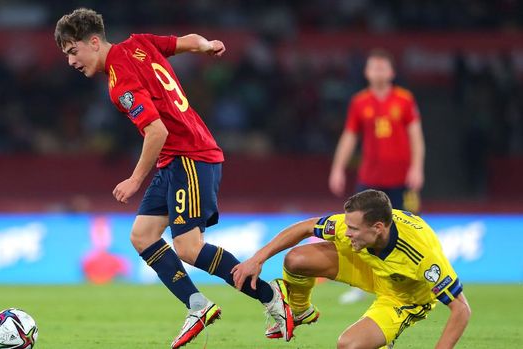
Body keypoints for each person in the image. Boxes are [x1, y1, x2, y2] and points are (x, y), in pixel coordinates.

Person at [54, 8, 293, 348]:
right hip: (175, 160)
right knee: (143, 235)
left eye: (72, 51)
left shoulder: (119, 80)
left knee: (188, 247)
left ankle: (272, 297)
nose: (71, 62)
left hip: (190, 156)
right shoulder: (139, 44)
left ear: (93, 42)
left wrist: (135, 179)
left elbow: (156, 131)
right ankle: (198, 305)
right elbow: (188, 42)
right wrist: (207, 44)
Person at [231, 189, 471, 348]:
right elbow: (305, 227)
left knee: (348, 345)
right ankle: (299, 310)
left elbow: (461, 309)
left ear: (378, 227)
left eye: (353, 229)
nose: (346, 232)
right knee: (296, 259)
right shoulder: (357, 229)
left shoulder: (422, 255)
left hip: (402, 295)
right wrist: (257, 258)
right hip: (366, 263)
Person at [329, 49, 426, 304]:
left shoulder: (404, 100)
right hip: (370, 178)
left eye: (383, 68)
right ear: (367, 72)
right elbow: (349, 137)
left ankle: (409, 280)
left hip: (400, 179)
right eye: (374, 68)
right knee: (360, 230)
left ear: (392, 72)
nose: (378, 72)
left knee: (407, 228)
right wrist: (338, 167)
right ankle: (363, 284)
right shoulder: (360, 102)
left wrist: (417, 167)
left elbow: (416, 136)